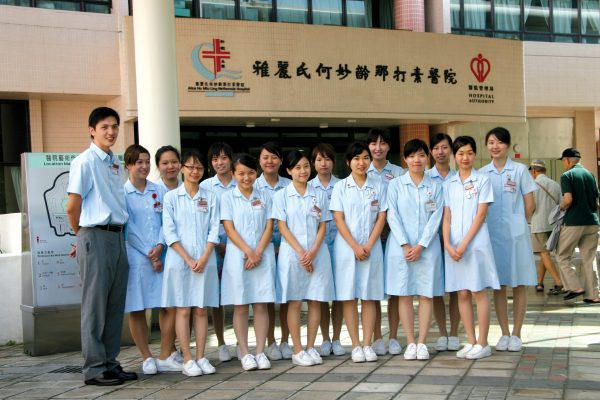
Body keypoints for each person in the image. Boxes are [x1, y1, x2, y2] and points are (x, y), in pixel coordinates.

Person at [66, 107, 137, 385]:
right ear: (91, 130)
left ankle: (109, 362)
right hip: (95, 235)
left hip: (117, 236)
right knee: (95, 306)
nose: (111, 132)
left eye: (115, 127)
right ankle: (94, 368)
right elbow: (73, 206)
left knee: (114, 305)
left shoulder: (113, 162)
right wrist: (81, 235)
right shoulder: (84, 162)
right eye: (105, 127)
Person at [123, 144, 183, 375]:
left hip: (162, 254)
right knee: (138, 308)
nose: (144, 166)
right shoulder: (123, 193)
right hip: (137, 257)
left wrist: (160, 246)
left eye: (147, 161)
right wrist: (150, 252)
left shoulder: (159, 190)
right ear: (129, 165)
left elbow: (166, 223)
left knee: (168, 305)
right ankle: (146, 357)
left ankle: (165, 353)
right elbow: (129, 228)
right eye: (139, 162)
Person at [273, 150, 335, 366]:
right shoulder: (281, 195)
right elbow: (282, 226)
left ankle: (310, 346)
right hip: (292, 255)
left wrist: (314, 251)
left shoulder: (318, 193)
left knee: (317, 299)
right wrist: (302, 252)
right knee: (295, 300)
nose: (303, 171)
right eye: (297, 167)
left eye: (306, 166)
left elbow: (324, 224)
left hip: (318, 254)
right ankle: (297, 349)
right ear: (288, 170)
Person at [161, 150, 220, 376]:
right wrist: (187, 258)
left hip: (205, 259)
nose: (194, 171)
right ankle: (187, 359)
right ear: (182, 169)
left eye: (199, 168)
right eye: (190, 167)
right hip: (179, 261)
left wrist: (204, 256)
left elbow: (215, 228)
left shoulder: (210, 196)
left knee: (201, 309)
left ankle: (201, 356)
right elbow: (169, 232)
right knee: (183, 310)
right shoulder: (171, 198)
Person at [385, 139, 444, 361]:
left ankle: (422, 342)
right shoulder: (395, 185)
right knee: (405, 293)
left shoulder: (435, 186)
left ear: (426, 157)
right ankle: (410, 341)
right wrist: (406, 244)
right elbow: (392, 215)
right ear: (405, 159)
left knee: (426, 294)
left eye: (420, 155)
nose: (416, 160)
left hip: (427, 249)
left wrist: (421, 245)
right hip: (401, 249)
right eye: (411, 156)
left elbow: (436, 217)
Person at [443, 136, 500, 360]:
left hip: (475, 243)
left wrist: (464, 244)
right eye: (460, 154)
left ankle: (484, 342)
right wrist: (448, 243)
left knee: (478, 291)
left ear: (475, 155)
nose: (464, 158)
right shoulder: (449, 183)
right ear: (454, 156)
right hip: (454, 246)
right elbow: (447, 216)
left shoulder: (483, 180)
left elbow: (481, 214)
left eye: (469, 153)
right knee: (462, 292)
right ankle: (471, 340)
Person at [330, 142, 387, 363]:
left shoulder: (379, 185)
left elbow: (382, 217)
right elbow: (338, 219)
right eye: (356, 158)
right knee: (349, 296)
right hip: (347, 249)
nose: (361, 162)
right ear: (348, 162)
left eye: (365, 158)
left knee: (370, 296)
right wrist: (355, 246)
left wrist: (369, 245)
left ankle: (367, 344)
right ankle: (355, 345)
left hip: (371, 248)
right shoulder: (341, 187)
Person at [481, 127, 537, 353]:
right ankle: (504, 332)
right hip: (493, 235)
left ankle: (517, 333)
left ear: (508, 145)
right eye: (491, 142)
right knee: (499, 284)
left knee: (519, 283)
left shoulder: (521, 170)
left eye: (500, 142)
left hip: (516, 235)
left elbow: (529, 203)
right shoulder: (483, 173)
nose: (495, 146)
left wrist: (518, 223)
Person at [221, 154, 276, 371]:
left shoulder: (265, 196)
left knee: (261, 304)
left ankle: (260, 351)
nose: (246, 177)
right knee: (241, 304)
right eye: (241, 173)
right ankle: (244, 351)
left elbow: (269, 226)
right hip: (238, 256)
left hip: (262, 255)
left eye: (250, 173)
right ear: (233, 174)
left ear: (256, 173)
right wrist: (248, 252)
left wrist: (258, 252)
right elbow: (229, 228)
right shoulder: (227, 197)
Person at [366, 128, 405, 356]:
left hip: (393, 239)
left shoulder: (399, 173)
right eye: (373, 143)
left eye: (382, 143)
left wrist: (388, 229)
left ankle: (392, 336)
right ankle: (376, 337)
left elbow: (402, 206)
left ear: (389, 146)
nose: (377, 147)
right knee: (372, 290)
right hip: (370, 241)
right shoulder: (362, 170)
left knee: (395, 290)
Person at [254, 142, 293, 360]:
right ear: (259, 161)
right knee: (266, 297)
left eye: (274, 157)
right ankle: (270, 342)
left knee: (287, 296)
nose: (270, 161)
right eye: (266, 157)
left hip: (287, 248)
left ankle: (286, 340)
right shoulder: (254, 185)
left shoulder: (289, 185)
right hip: (265, 249)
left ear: (281, 161)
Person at [200, 142, 236, 362]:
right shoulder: (205, 186)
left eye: (223, 158)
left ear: (231, 159)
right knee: (217, 298)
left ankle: (242, 343)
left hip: (238, 247)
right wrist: (215, 245)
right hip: (213, 248)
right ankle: (222, 343)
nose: (219, 163)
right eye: (215, 159)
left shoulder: (241, 181)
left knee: (243, 296)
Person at [309, 143, 345, 357]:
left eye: (328, 159)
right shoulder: (308, 187)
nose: (324, 163)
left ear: (334, 161)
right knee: (320, 295)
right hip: (317, 248)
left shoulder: (341, 185)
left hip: (340, 246)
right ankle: (324, 338)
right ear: (313, 163)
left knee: (340, 294)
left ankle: (338, 338)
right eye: (319, 159)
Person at [426, 133, 461, 352]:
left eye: (445, 147)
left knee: (457, 289)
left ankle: (455, 333)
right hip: (431, 242)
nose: (441, 152)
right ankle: (442, 333)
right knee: (436, 289)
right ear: (431, 152)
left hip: (456, 242)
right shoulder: (426, 178)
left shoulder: (460, 178)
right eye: (436, 148)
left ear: (451, 151)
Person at [555, 148, 600, 303]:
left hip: (574, 222)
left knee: (562, 255)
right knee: (589, 259)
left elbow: (568, 199)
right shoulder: (590, 175)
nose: (563, 164)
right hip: (592, 222)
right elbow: (597, 201)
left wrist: (560, 208)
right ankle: (593, 295)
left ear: (567, 160)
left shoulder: (567, 175)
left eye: (563, 161)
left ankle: (575, 287)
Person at [528, 160, 564, 295]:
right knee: (546, 254)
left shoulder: (532, 185)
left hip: (539, 224)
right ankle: (540, 282)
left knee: (544, 253)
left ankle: (559, 282)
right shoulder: (555, 184)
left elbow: (531, 207)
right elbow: (562, 204)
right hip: (554, 225)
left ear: (534, 171)